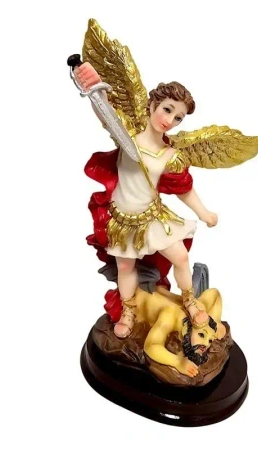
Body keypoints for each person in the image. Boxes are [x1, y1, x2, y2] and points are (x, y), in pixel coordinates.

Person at [75, 63, 218, 338]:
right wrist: (93, 88)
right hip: (122, 219)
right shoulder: (126, 135)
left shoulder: (170, 155)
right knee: (125, 266)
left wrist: (204, 212)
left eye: (178, 117)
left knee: (181, 257)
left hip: (153, 219)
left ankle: (189, 300)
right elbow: (105, 114)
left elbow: (183, 189)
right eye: (167, 109)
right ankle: (129, 310)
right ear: (152, 105)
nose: (170, 120)